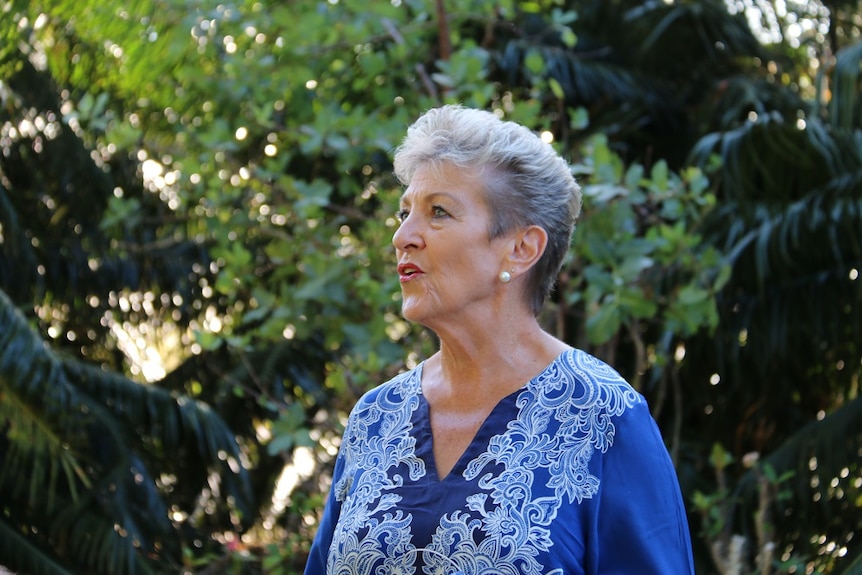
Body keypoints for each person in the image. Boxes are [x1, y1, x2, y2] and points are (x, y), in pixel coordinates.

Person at [303, 105, 695, 574]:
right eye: (404, 212)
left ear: (521, 248)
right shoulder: (373, 418)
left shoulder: (605, 419)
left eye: (438, 212)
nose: (402, 236)